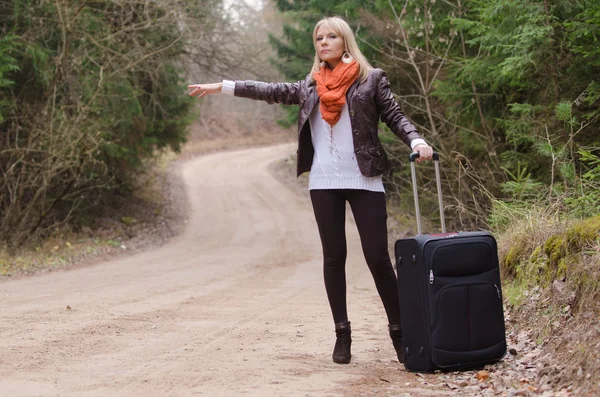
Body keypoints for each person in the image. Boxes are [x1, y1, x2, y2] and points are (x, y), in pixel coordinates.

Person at [187, 16, 433, 365]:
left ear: (345, 41)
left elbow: (395, 115)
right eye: (319, 37)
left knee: (377, 257)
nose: (324, 42)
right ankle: (342, 335)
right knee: (334, 258)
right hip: (324, 181)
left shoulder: (370, 79)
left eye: (331, 36)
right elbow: (267, 90)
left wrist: (417, 139)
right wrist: (223, 86)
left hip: (364, 179)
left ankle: (400, 334)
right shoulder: (309, 86)